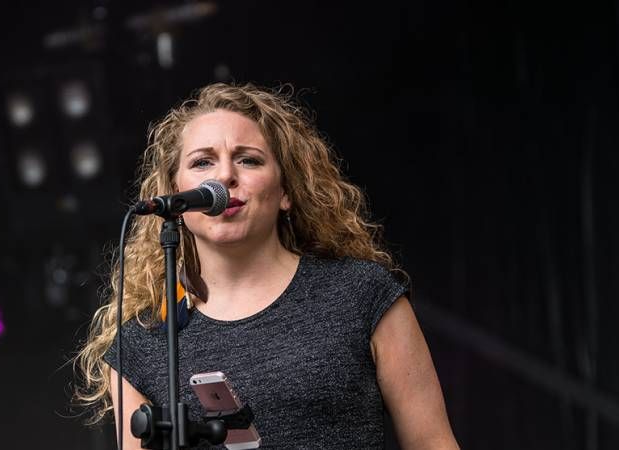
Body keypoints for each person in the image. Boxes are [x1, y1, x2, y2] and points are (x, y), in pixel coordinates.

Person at [74, 82, 459, 449]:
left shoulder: (362, 294)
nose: (225, 176)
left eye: (248, 159)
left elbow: (432, 443)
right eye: (203, 162)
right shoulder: (143, 342)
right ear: (175, 195)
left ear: (286, 192)